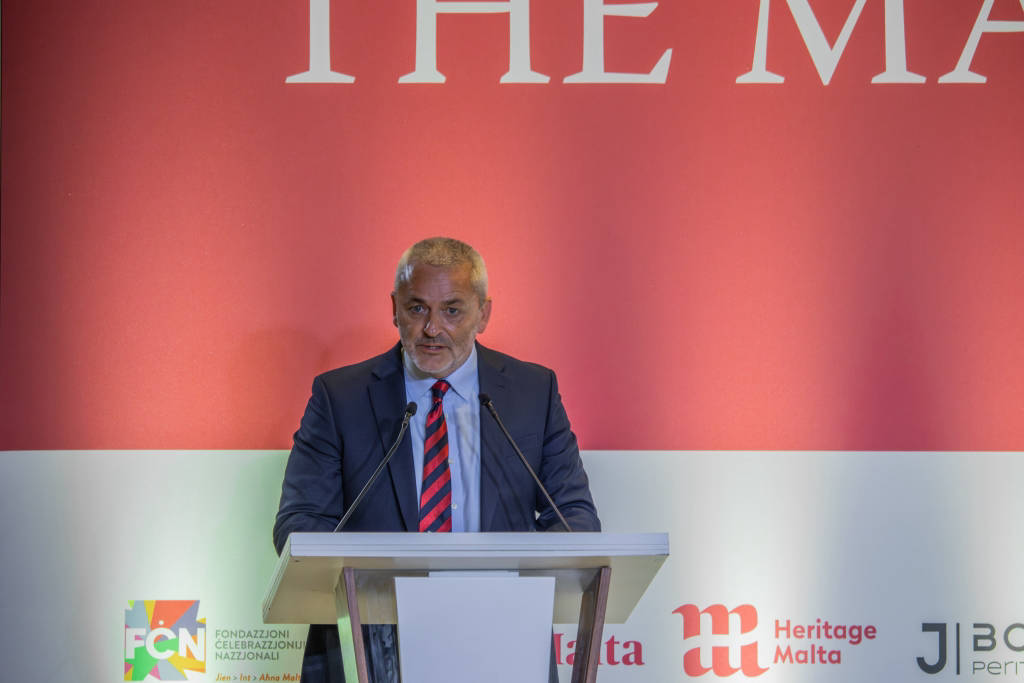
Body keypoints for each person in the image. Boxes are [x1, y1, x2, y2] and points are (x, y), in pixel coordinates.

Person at [274, 237, 600, 683]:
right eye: (417, 309)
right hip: (369, 644)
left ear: (483, 313)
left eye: (452, 310)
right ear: (394, 309)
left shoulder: (532, 392)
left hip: (502, 635)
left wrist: (514, 583)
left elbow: (575, 517)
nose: (432, 328)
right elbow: (299, 524)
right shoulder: (340, 397)